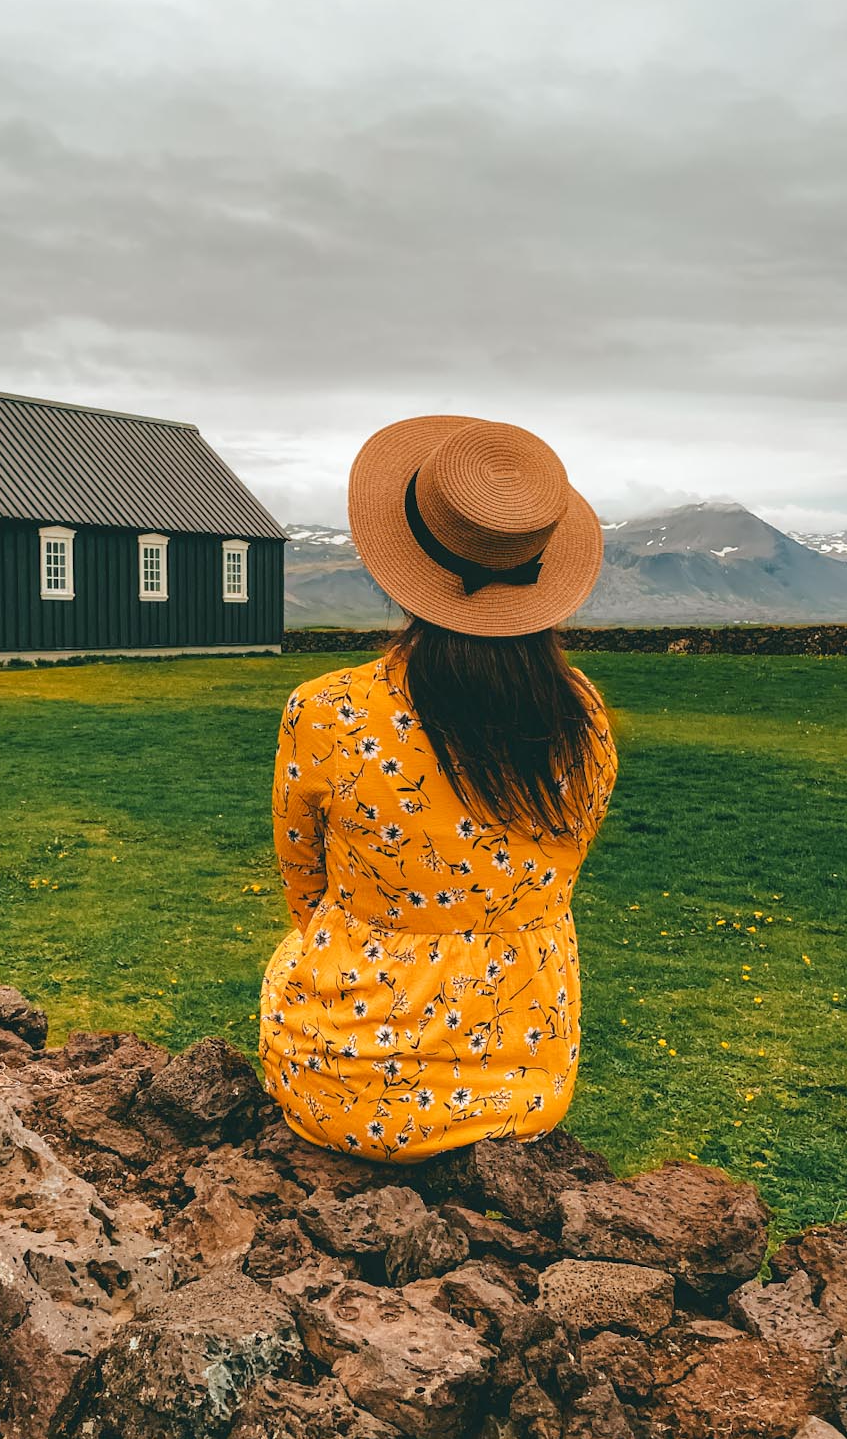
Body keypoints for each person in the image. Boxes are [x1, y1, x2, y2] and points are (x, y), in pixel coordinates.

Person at [259, 415, 618, 1161]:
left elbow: (304, 892)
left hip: (345, 1086)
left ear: (405, 564)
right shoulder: (580, 712)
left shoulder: (328, 710)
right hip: (527, 1084)